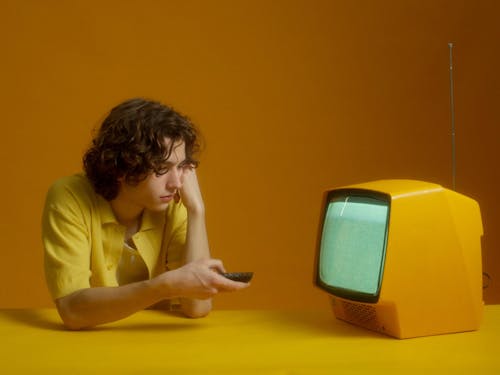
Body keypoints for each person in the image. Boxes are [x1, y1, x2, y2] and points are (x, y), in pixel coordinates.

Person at [42, 98, 249, 330]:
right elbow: (73, 311)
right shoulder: (69, 196)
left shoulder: (174, 200)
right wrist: (164, 286)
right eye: (161, 169)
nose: (176, 182)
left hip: (156, 346)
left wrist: (197, 210)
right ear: (121, 167)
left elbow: (197, 307)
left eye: (182, 167)